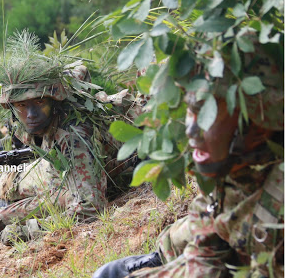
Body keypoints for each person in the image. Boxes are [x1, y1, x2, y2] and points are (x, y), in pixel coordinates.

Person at [92, 38, 284, 278]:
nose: (192, 129)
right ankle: (163, 255)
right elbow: (207, 252)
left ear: (258, 121)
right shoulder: (237, 165)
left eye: (207, 111)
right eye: (191, 109)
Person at [0, 31, 128, 245]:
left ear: (55, 100)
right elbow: (79, 71)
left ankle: (2, 209)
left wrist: (27, 229)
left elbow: (90, 209)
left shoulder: (74, 134)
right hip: (58, 169)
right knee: (10, 179)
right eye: (21, 106)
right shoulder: (42, 117)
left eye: (39, 103)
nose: (30, 114)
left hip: (89, 175)